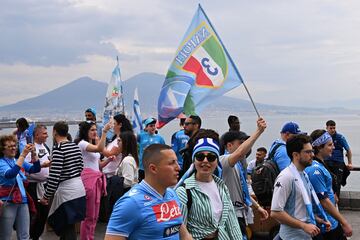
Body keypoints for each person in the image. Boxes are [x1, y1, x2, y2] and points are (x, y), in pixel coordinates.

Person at [105, 144, 192, 240]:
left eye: (176, 162)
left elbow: (184, 235)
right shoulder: (130, 203)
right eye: (172, 163)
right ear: (153, 168)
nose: (178, 168)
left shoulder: (172, 194)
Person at [176, 137, 243, 239]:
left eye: (211, 157)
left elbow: (232, 224)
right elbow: (181, 231)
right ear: (194, 160)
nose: (205, 161)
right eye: (200, 157)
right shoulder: (184, 191)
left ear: (217, 162)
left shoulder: (222, 187)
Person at [271, 134, 330, 240]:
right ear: (296, 155)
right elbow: (275, 212)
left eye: (312, 151)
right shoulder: (286, 177)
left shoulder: (303, 174)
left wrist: (317, 219)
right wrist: (303, 225)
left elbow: (300, 210)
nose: (312, 155)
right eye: (308, 152)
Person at [220, 118, 269, 239]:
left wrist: (257, 207)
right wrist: (258, 131)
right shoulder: (224, 161)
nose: (244, 147)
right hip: (231, 216)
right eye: (240, 143)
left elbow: (242, 191)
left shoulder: (237, 165)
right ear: (229, 145)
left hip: (241, 213)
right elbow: (240, 153)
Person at [39, 121, 86, 239]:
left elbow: (54, 176)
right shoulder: (75, 146)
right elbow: (81, 166)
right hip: (79, 188)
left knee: (65, 226)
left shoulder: (58, 149)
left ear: (54, 132)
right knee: (69, 225)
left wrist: (46, 196)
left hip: (66, 192)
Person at [306, 129, 352, 239]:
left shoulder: (321, 164)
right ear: (319, 147)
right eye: (330, 145)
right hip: (326, 225)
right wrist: (344, 222)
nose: (334, 147)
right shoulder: (314, 170)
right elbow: (324, 201)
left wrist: (334, 193)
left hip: (331, 221)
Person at [75, 120, 113, 240]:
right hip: (88, 181)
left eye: (96, 129)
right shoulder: (82, 144)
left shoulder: (91, 144)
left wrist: (108, 160)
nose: (95, 132)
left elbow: (99, 165)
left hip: (96, 179)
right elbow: (100, 148)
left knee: (95, 215)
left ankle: (89, 237)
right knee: (89, 215)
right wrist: (105, 132)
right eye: (92, 130)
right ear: (85, 131)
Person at [0, 135, 41, 239]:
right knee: (5, 236)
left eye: (15, 145)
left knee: (25, 235)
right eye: (10, 146)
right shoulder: (1, 162)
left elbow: (35, 169)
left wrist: (34, 154)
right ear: (2, 149)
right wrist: (23, 155)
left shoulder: (16, 160)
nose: (14, 148)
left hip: (22, 201)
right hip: (8, 201)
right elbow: (10, 174)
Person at [100, 114, 133, 221]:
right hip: (108, 174)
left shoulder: (121, 139)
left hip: (113, 176)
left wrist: (100, 138)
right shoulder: (116, 138)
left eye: (114, 124)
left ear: (120, 125)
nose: (112, 126)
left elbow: (110, 153)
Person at [25, 124, 51, 240]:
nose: (47, 135)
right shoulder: (30, 148)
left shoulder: (45, 146)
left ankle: (37, 236)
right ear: (36, 135)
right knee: (35, 213)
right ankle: (31, 236)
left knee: (44, 214)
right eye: (44, 133)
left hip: (44, 185)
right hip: (33, 186)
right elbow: (26, 168)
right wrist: (42, 165)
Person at [325, 120, 352, 197]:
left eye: (334, 128)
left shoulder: (340, 137)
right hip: (326, 162)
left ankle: (336, 202)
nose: (333, 130)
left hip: (338, 162)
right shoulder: (324, 137)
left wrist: (350, 163)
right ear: (326, 128)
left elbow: (348, 150)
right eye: (331, 128)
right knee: (327, 181)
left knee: (337, 182)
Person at [137, 117, 165, 181]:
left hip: (155, 166)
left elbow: (163, 151)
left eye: (154, 126)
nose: (153, 127)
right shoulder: (141, 136)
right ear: (146, 128)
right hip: (143, 166)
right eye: (151, 126)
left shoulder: (160, 138)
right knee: (142, 185)